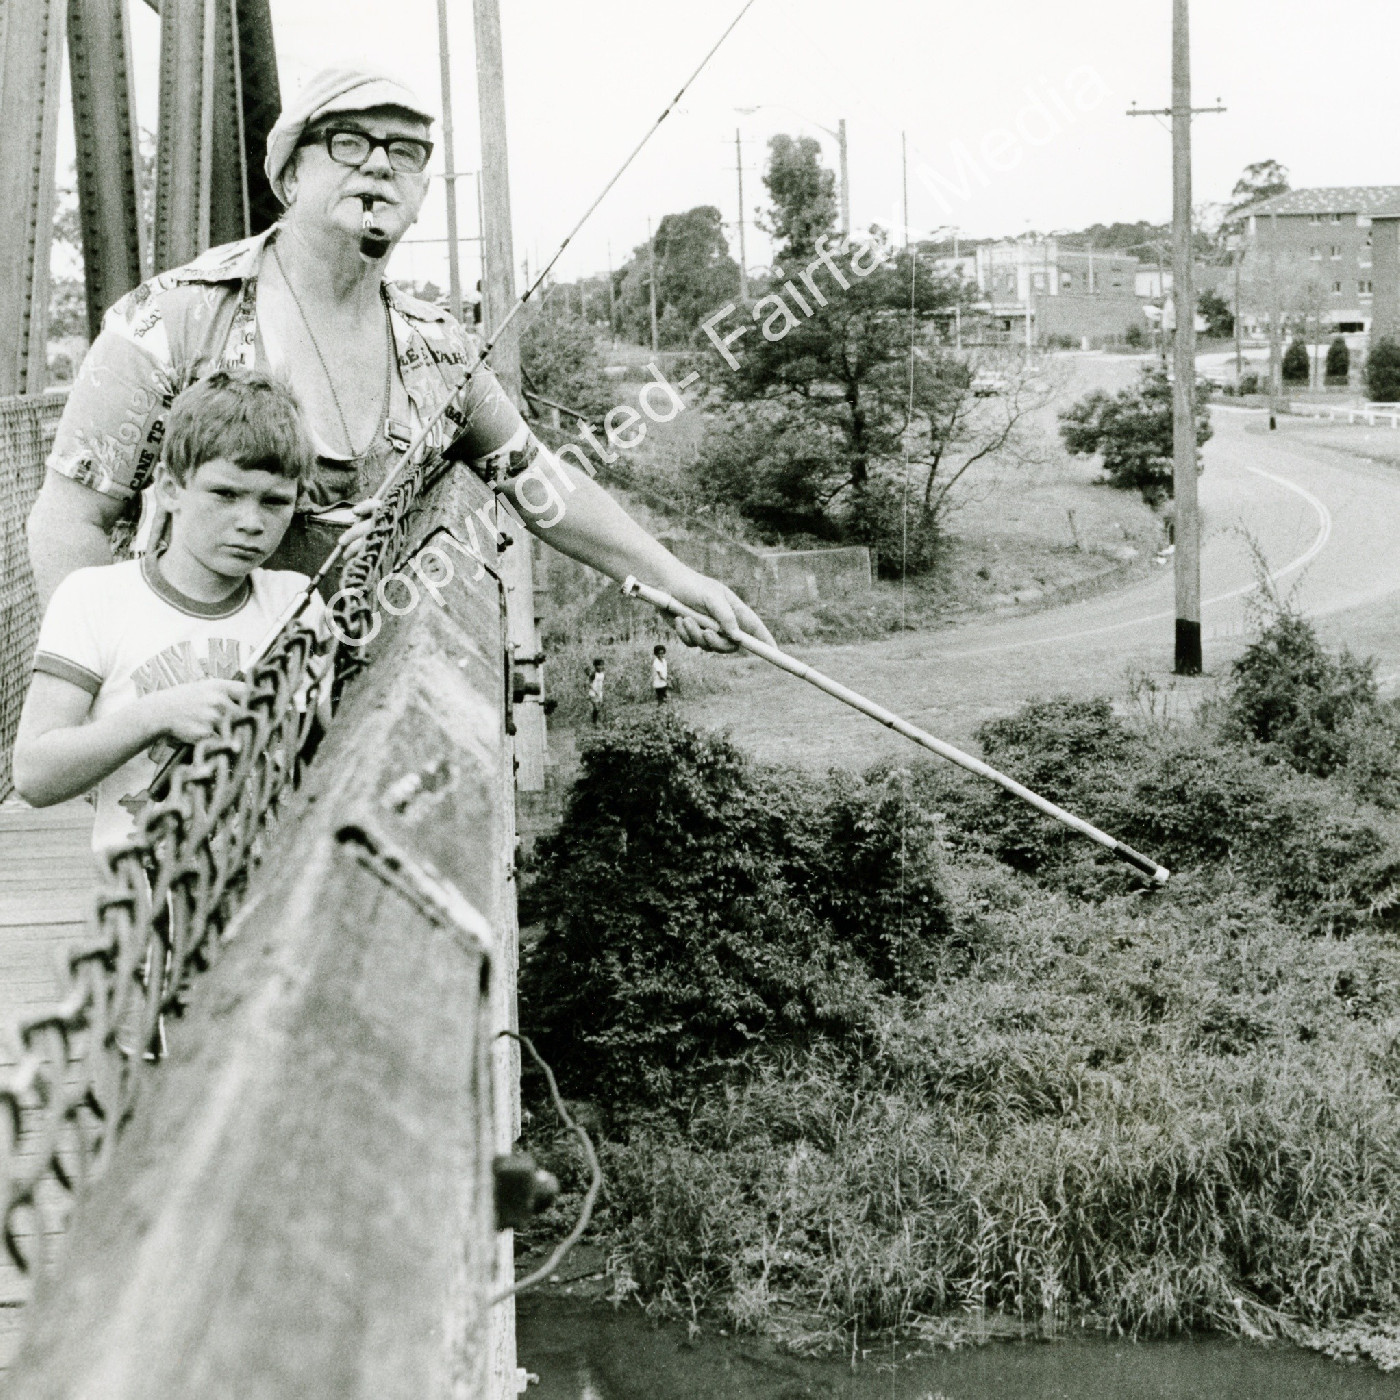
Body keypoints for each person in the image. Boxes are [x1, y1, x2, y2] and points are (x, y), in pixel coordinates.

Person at [26, 63, 773, 661]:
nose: (380, 165)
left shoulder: (436, 347)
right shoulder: (172, 319)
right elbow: (69, 521)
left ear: (420, 193)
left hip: (351, 692)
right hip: (188, 692)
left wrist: (673, 578)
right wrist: (110, 680)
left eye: (406, 152)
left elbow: (540, 482)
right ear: (289, 176)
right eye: (349, 142)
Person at [12, 369, 326, 852]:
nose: (251, 523)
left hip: (273, 887)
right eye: (224, 494)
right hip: (145, 903)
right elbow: (33, 776)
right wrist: (155, 716)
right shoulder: (94, 598)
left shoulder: (298, 603)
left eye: (275, 502)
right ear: (170, 488)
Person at [588, 657, 605, 725]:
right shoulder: (593, 674)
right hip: (593, 692)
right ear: (595, 666)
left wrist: (600, 692)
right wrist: (595, 691)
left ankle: (595, 721)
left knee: (599, 707)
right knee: (596, 707)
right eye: (598, 665)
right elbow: (590, 684)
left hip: (599, 692)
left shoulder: (602, 674)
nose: (600, 667)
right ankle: (594, 722)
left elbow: (601, 683)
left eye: (601, 665)